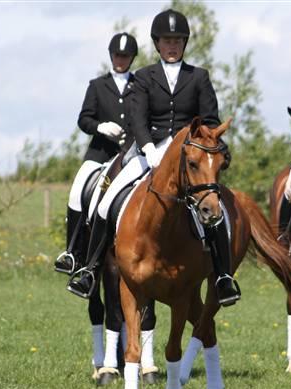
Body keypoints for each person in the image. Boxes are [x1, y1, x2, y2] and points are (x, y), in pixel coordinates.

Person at [68, 8, 241, 307]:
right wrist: (147, 147)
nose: (171, 45)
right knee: (106, 200)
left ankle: (224, 277)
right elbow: (137, 118)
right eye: (165, 40)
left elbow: (210, 120)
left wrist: (211, 144)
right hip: (148, 151)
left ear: (184, 43)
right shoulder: (145, 76)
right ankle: (89, 269)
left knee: (214, 209)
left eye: (177, 40)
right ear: (157, 43)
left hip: (190, 155)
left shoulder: (199, 77)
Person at [54, 32, 138, 275]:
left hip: (129, 153)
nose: (121, 59)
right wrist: (100, 127)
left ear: (132, 57)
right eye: (117, 55)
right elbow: (84, 119)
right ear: (111, 56)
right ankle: (73, 252)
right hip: (100, 152)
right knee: (76, 190)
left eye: (125, 55)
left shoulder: (139, 85)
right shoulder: (97, 86)